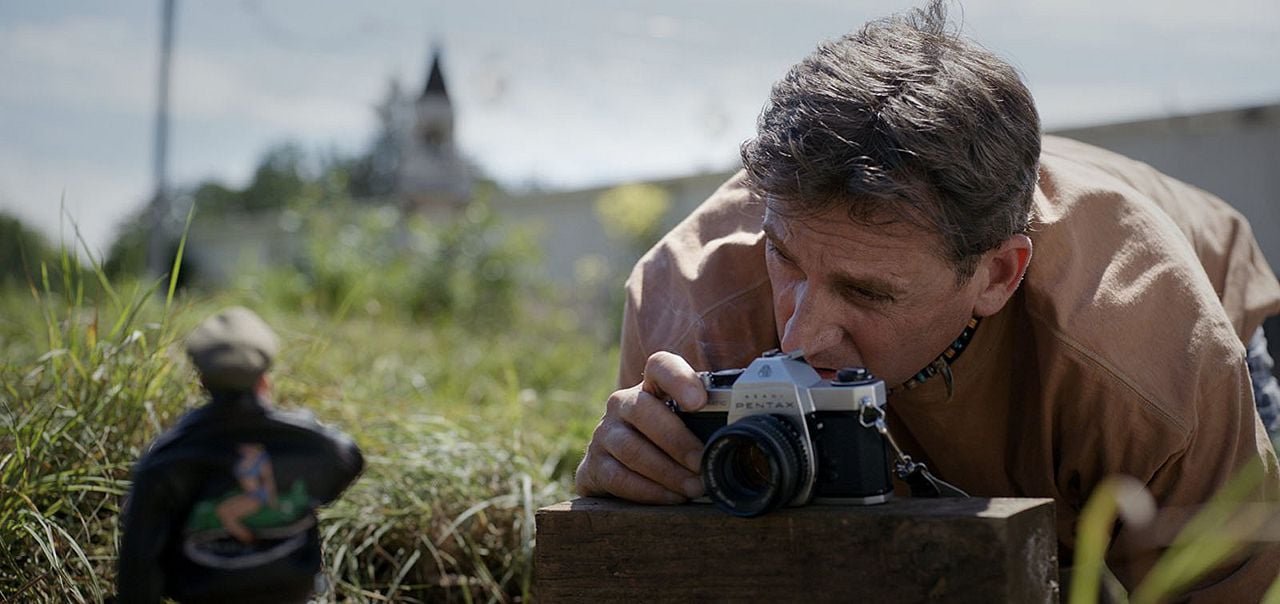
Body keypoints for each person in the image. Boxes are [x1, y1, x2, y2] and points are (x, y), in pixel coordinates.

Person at [573, 2, 1280, 600]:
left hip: (1197, 314)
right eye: (784, 261)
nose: (797, 335)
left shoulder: (1143, 356)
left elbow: (1232, 590)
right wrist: (620, 498)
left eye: (866, 291)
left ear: (998, 275)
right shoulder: (690, 304)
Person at [118, 307, 364, 604]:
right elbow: (350, 459)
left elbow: (139, 567)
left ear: (202, 382)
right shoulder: (311, 443)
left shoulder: (167, 457)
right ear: (264, 380)